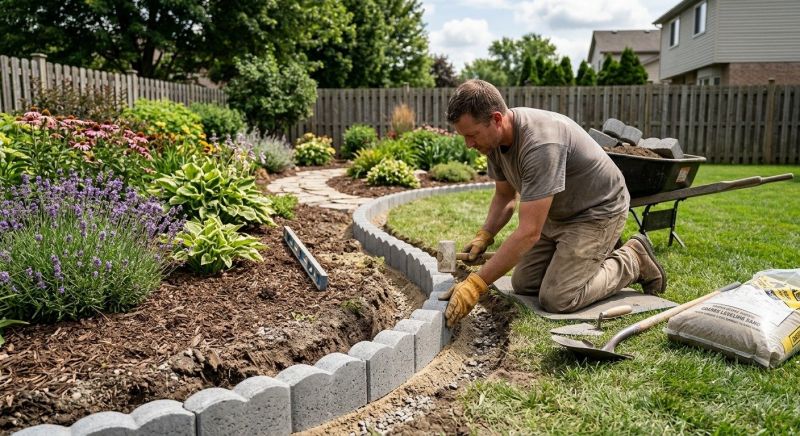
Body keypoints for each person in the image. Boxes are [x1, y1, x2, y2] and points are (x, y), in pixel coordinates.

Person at [439, 79, 666, 328]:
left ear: (496, 119)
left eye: (472, 135)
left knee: (559, 298)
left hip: (597, 212)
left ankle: (633, 259)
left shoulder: (540, 145)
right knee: (524, 283)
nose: (469, 144)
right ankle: (585, 262)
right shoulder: (493, 143)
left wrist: (475, 285)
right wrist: (486, 234)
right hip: (560, 213)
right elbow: (504, 196)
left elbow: (528, 233)